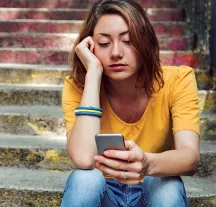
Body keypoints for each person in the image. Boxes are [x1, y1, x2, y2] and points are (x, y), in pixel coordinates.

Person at [60, 0, 200, 206]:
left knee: (166, 185)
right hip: (103, 193)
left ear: (145, 42)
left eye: (128, 41)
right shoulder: (79, 86)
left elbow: (190, 157)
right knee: (85, 179)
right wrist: (93, 73)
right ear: (90, 46)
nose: (116, 53)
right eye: (104, 43)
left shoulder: (178, 80)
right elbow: (83, 158)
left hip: (153, 187)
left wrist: (147, 164)